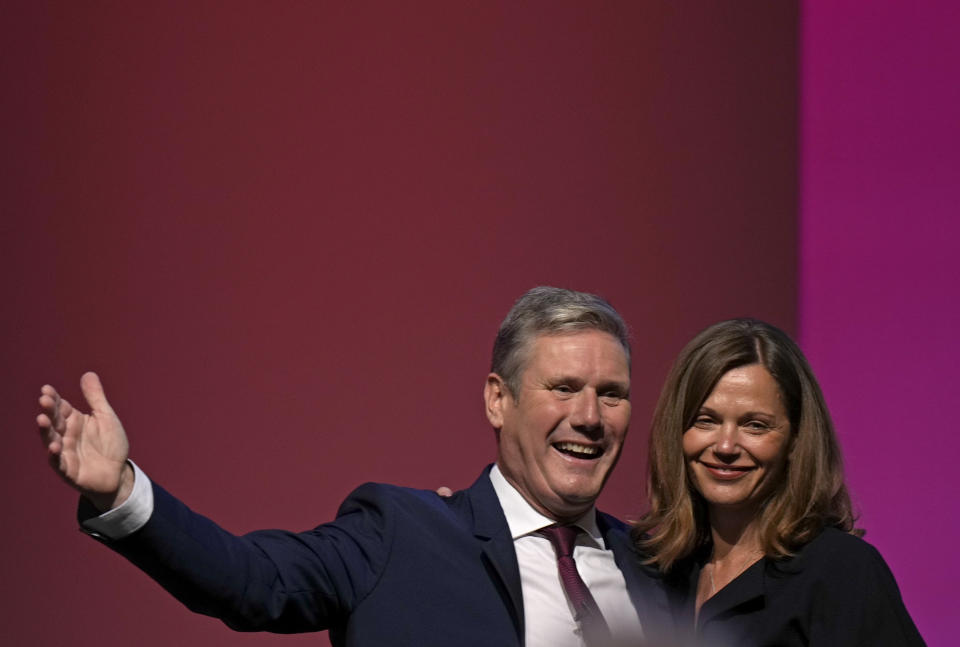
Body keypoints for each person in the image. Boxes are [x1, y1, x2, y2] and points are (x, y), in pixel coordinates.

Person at [36, 286, 671, 647]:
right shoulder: (401, 535)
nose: (590, 416)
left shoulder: (658, 569)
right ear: (497, 400)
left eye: (611, 394)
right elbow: (250, 580)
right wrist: (122, 490)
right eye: (562, 388)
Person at [633, 318, 925, 646]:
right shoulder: (658, 573)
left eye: (755, 425)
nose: (726, 446)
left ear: (796, 439)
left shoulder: (843, 571)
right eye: (706, 420)